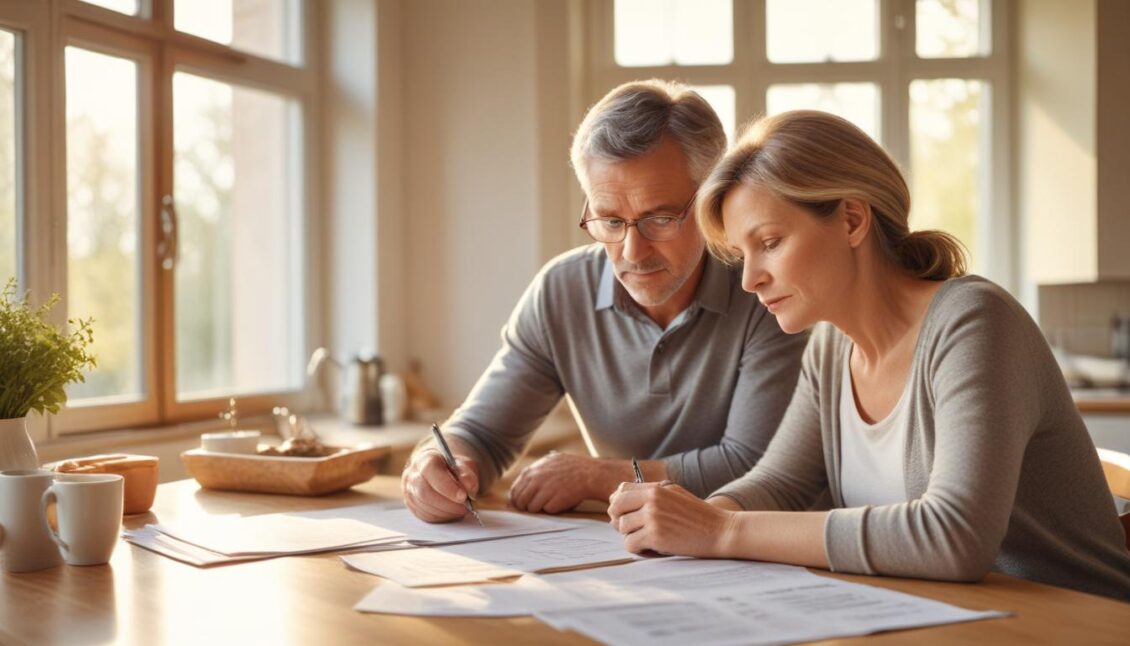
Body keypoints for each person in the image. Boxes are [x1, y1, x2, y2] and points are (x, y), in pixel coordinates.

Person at [608, 110, 1130, 602]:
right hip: (951, 618)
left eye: (770, 242)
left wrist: (720, 531)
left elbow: (954, 537)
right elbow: (782, 483)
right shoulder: (832, 348)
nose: (750, 279)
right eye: (743, 256)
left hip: (1078, 622)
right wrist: (690, 520)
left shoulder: (974, 323)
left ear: (852, 220)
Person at [401, 80, 808, 522]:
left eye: (660, 218)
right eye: (610, 220)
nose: (632, 252)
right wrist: (433, 467)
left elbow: (756, 466)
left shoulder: (765, 288)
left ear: (714, 199)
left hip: (762, 555)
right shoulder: (562, 290)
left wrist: (600, 477)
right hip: (630, 556)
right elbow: (481, 434)